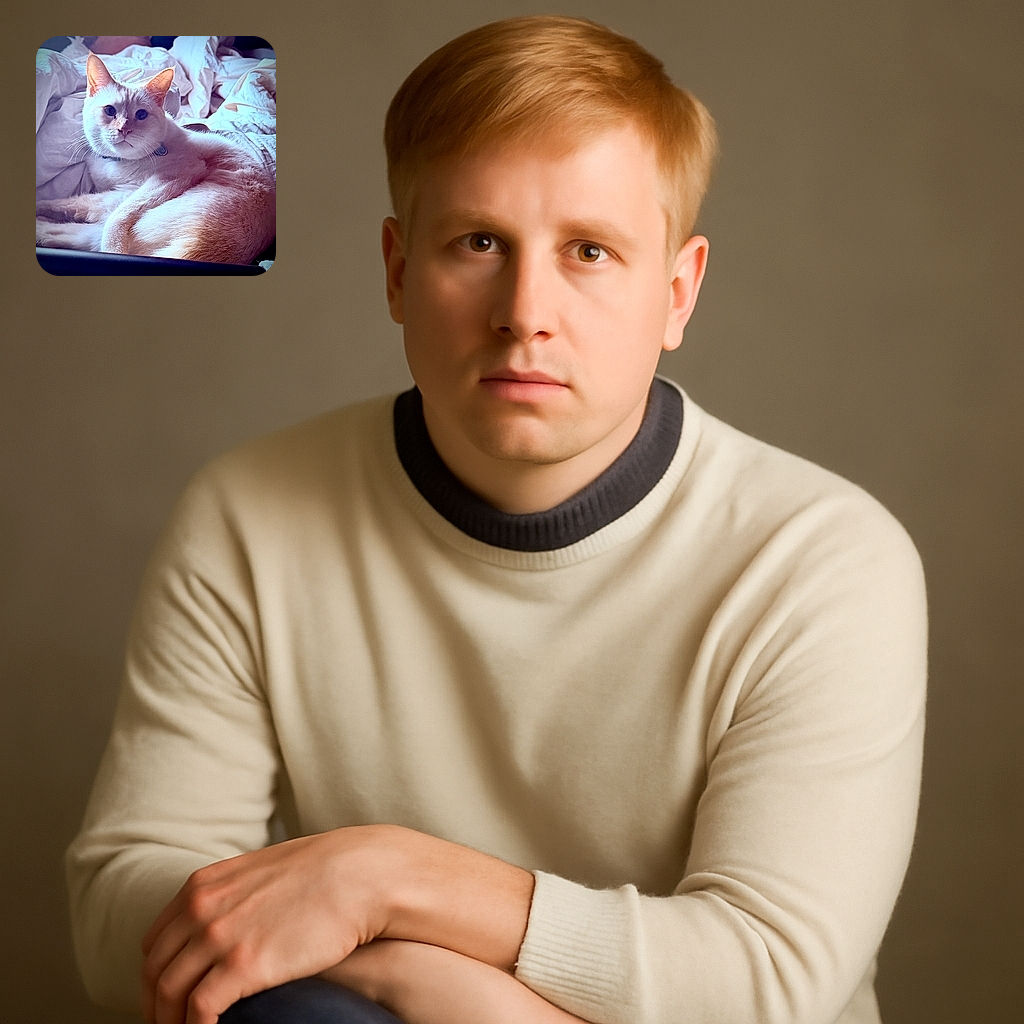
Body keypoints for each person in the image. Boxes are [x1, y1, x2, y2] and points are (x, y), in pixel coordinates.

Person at [66, 15, 927, 1024]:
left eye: (590, 251)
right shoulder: (249, 516)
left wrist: (386, 885)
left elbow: (765, 982)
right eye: (479, 242)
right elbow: (120, 905)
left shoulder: (822, 559)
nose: (525, 309)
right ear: (396, 271)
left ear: (677, 293)